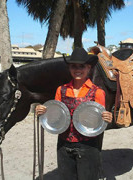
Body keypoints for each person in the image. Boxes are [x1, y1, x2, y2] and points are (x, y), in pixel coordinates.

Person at [35, 47, 112, 180]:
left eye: (81, 66)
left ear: (89, 68)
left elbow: (99, 122)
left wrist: (107, 117)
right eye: (73, 66)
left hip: (88, 146)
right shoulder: (61, 90)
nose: (77, 70)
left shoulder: (98, 92)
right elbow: (56, 116)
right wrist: (44, 112)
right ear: (69, 68)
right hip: (63, 145)